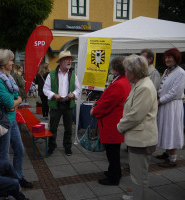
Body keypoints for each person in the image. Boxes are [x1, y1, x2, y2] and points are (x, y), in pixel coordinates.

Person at [117, 55, 158, 200]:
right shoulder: (141, 84)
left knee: (139, 177)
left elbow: (135, 115)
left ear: (134, 72)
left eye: (127, 70)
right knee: (138, 175)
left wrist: (120, 126)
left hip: (142, 139)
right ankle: (137, 196)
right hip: (139, 138)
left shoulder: (144, 87)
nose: (125, 73)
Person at [0, 49, 33, 188]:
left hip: (12, 119)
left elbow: (14, 100)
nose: (13, 62)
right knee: (3, 156)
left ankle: (18, 177)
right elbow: (10, 103)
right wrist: (18, 100)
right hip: (3, 122)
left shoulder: (8, 78)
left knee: (19, 150)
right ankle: (3, 184)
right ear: (3, 63)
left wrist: (16, 101)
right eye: (10, 60)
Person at [90, 56, 131, 186]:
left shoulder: (119, 83)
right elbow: (106, 98)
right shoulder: (122, 80)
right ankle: (113, 171)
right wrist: (97, 103)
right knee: (113, 151)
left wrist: (94, 111)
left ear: (115, 68)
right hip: (114, 121)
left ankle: (114, 177)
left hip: (112, 123)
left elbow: (108, 103)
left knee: (112, 152)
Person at [43, 50, 81, 156]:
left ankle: (67, 147)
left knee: (68, 128)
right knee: (53, 127)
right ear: (60, 61)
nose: (69, 61)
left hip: (68, 105)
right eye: (67, 59)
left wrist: (73, 94)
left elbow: (78, 89)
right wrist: (54, 95)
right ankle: (51, 146)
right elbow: (45, 89)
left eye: (70, 59)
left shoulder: (73, 74)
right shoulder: (51, 74)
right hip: (56, 104)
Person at [156, 48, 185, 167]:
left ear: (176, 58)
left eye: (170, 57)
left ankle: (172, 159)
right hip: (165, 105)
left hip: (172, 106)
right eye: (166, 57)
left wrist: (159, 101)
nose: (167, 59)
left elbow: (175, 92)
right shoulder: (168, 71)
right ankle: (167, 153)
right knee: (166, 129)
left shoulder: (181, 73)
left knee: (172, 130)